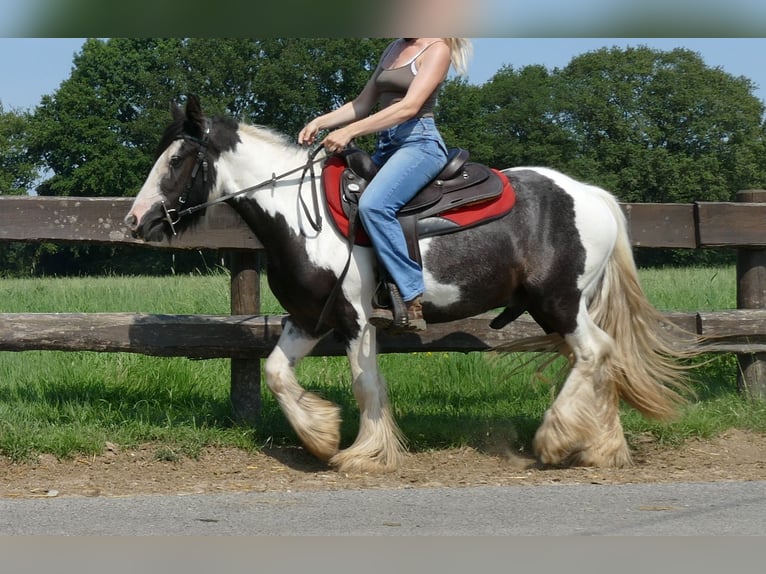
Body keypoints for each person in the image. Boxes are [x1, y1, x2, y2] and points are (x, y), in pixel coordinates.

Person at [298, 38, 472, 331]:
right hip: (386, 147)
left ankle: (411, 295)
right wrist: (321, 121)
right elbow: (362, 103)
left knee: (375, 205)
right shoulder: (392, 48)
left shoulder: (437, 49)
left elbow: (409, 107)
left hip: (419, 144)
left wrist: (350, 131)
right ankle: (370, 288)